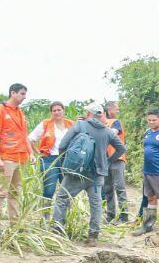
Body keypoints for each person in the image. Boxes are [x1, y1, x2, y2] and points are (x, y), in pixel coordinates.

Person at [51, 103, 126, 246]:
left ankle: (57, 232)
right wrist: (108, 161)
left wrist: (65, 163)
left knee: (62, 199)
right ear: (101, 115)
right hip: (97, 174)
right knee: (96, 204)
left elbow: (62, 146)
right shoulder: (108, 132)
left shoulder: (80, 126)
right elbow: (121, 148)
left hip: (76, 173)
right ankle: (93, 236)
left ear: (89, 114)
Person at [0, 83, 30, 239]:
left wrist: (30, 153)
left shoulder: (20, 112)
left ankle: (15, 225)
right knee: (0, 192)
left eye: (25, 94)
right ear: (13, 93)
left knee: (15, 192)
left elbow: (24, 135)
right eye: (22, 93)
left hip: (21, 156)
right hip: (6, 157)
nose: (24, 97)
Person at [27, 101, 73, 209]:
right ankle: (45, 215)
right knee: (49, 190)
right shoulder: (45, 124)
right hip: (49, 159)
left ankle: (63, 216)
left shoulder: (71, 124)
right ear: (51, 112)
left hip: (67, 159)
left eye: (59, 110)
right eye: (54, 110)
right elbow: (30, 139)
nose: (57, 112)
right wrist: (36, 152)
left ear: (63, 110)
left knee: (66, 190)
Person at [100, 100, 128, 223]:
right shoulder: (102, 123)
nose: (118, 111)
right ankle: (110, 216)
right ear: (110, 110)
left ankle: (124, 217)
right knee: (107, 189)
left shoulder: (115, 122)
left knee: (119, 188)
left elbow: (113, 133)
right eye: (116, 109)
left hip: (117, 159)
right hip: (105, 160)